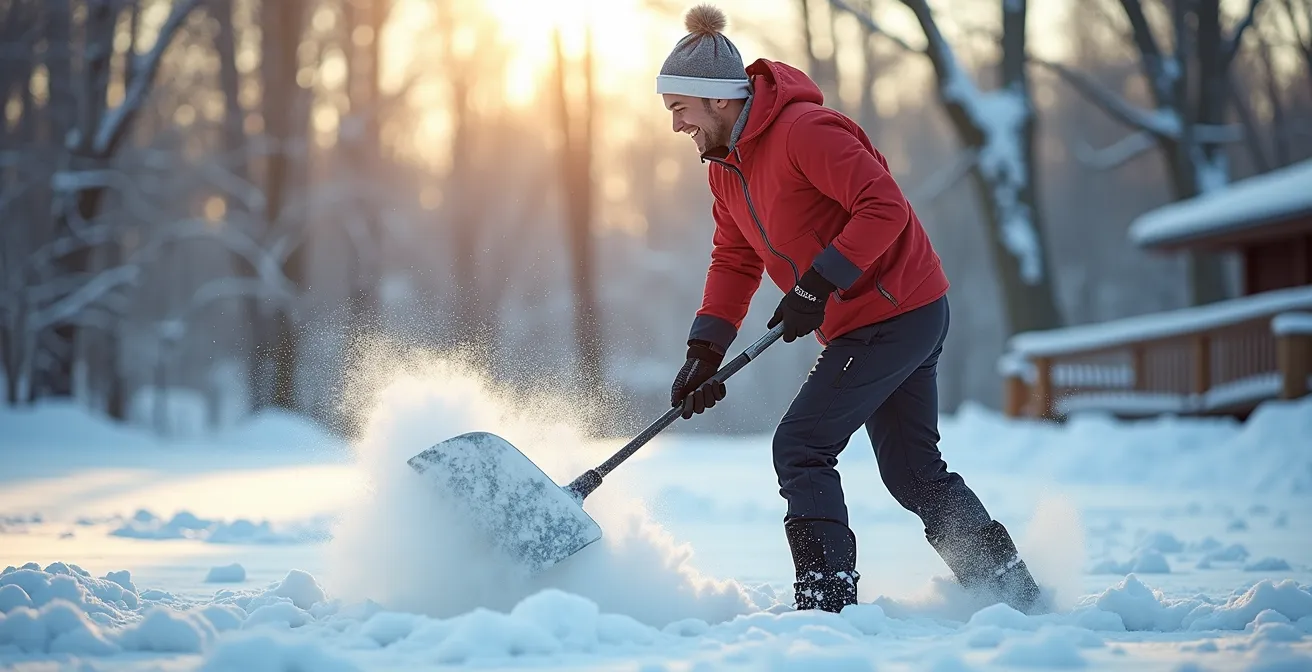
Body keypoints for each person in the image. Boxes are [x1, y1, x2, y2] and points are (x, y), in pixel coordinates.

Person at [658, 4, 1045, 615]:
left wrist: (818, 285)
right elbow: (734, 259)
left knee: (801, 445)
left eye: (680, 108)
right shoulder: (726, 170)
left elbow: (884, 206)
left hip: (894, 311)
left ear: (718, 99)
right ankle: (1010, 591)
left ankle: (827, 603)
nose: (676, 124)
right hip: (875, 319)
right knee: (913, 472)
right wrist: (705, 350)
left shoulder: (804, 132)